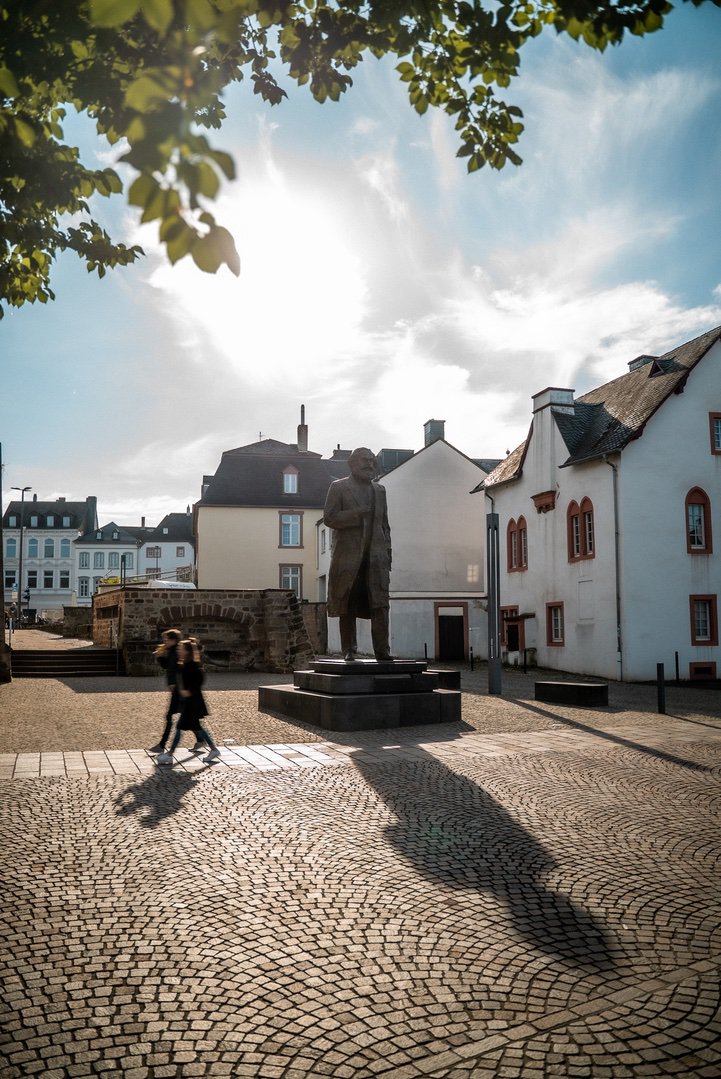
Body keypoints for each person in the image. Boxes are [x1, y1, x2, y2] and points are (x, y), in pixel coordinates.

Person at [323, 446, 392, 661]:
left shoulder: (379, 491)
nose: (370, 464)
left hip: (375, 557)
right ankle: (349, 650)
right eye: (365, 460)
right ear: (352, 464)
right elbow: (329, 518)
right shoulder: (339, 487)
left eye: (372, 461)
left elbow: (385, 525)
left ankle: (382, 651)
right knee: (348, 603)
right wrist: (357, 514)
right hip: (348, 558)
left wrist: (388, 555)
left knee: (380, 604)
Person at [156, 638, 220, 765]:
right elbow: (171, 669)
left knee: (180, 727)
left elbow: (199, 679)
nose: (179, 650)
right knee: (197, 728)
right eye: (178, 648)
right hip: (187, 702)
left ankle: (169, 755)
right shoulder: (183, 664)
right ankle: (213, 749)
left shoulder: (193, 665)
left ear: (187, 651)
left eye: (181, 648)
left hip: (193, 702)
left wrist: (189, 691)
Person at [148, 629, 191, 754]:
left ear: (173, 640)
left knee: (171, 716)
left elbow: (177, 670)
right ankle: (200, 739)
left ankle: (162, 745)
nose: (164, 641)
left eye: (166, 639)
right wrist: (160, 658)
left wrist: (173, 683)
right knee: (188, 716)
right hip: (178, 688)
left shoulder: (178, 651)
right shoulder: (172, 651)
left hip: (179, 689)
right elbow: (168, 666)